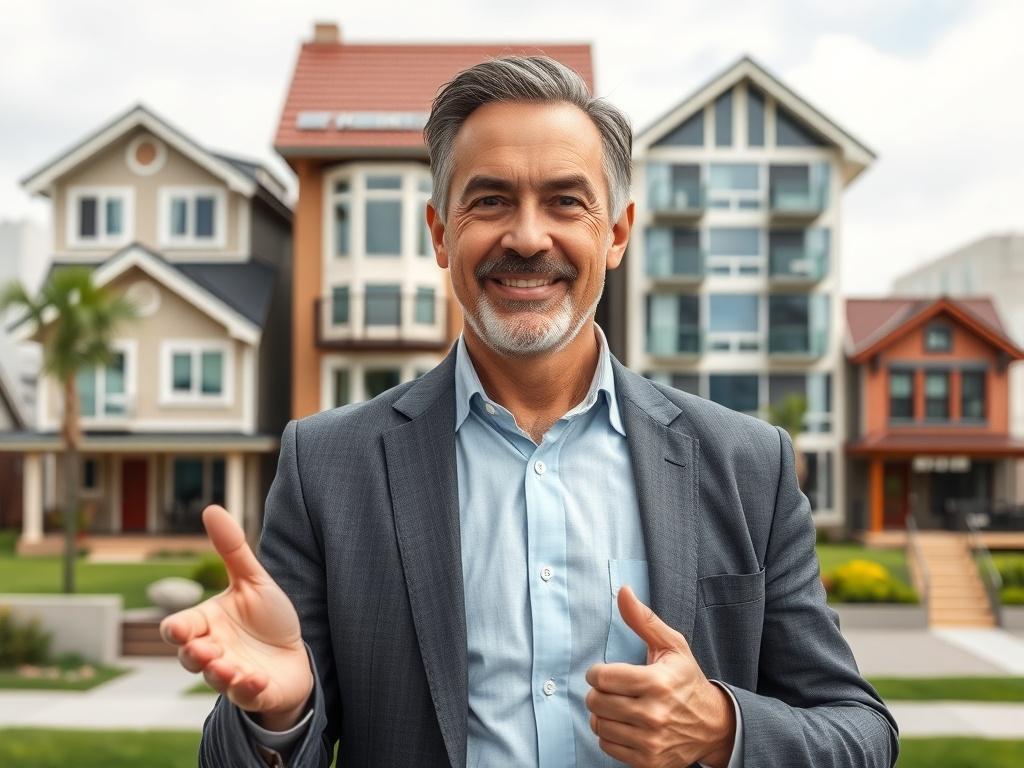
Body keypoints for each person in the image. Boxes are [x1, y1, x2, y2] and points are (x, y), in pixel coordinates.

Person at [161, 56, 899, 767]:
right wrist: (278, 715)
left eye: (565, 201)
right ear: (441, 234)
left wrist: (721, 727)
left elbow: (859, 734)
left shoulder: (746, 464)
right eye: (489, 201)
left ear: (615, 233)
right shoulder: (328, 466)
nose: (526, 236)